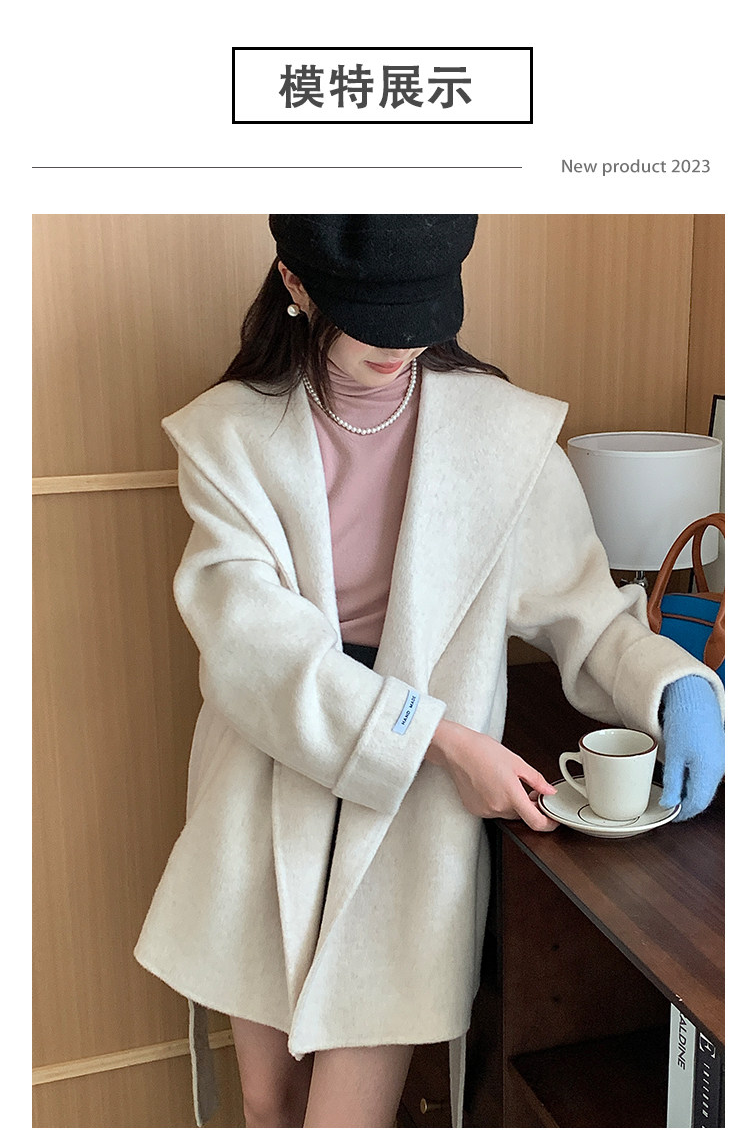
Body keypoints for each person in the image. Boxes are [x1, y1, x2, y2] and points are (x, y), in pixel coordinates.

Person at [135, 215, 725, 1129]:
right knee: (267, 1102)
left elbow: (586, 614)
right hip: (264, 782)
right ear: (295, 282)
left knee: (346, 1122)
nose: (403, 342)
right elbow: (254, 648)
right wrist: (444, 740)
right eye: (375, 317)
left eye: (423, 313)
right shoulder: (229, 437)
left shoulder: (502, 436)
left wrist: (673, 683)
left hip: (412, 824)